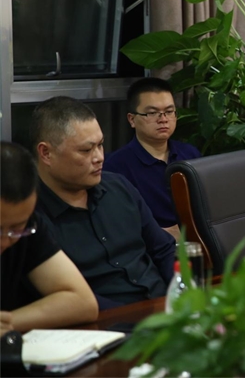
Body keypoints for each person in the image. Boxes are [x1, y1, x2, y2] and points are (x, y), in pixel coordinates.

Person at [31, 96, 176, 310]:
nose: (99, 157)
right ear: (46, 153)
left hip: (164, 306)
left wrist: (183, 292)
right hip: (101, 320)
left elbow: (164, 250)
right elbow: (64, 296)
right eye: (86, 150)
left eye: (100, 145)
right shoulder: (29, 217)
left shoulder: (119, 186)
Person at [1, 141, 98, 335]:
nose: (5, 241)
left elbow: (83, 302)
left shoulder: (30, 226)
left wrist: (8, 323)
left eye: (16, 228)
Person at [104, 78, 201, 241]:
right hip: (148, 249)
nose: (163, 119)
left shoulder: (191, 155)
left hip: (196, 244)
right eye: (152, 113)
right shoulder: (115, 167)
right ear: (132, 119)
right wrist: (161, 235)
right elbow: (115, 225)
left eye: (169, 111)